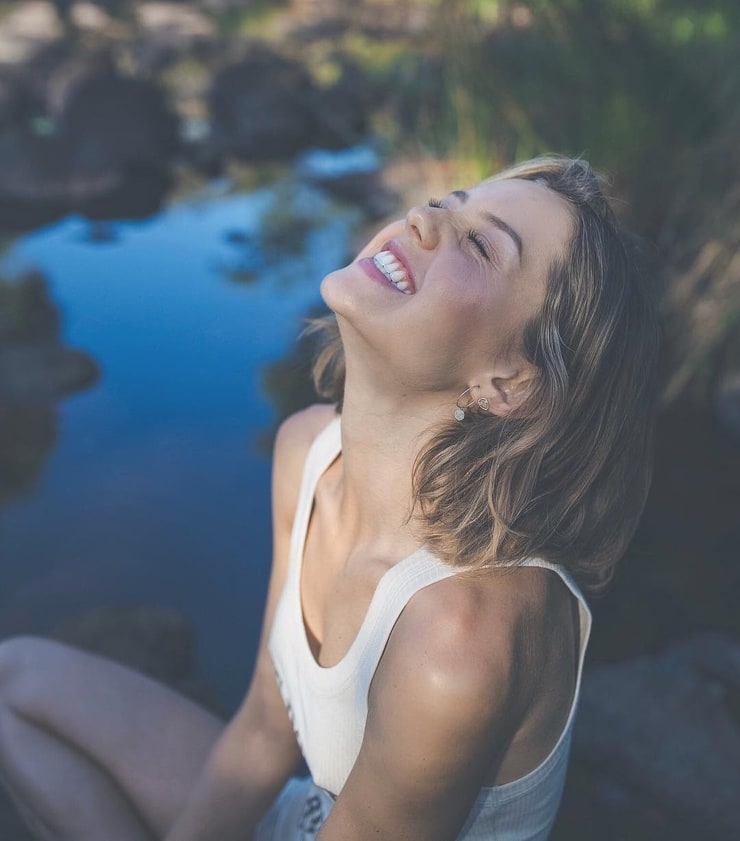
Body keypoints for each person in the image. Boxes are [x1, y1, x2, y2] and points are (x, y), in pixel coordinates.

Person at [0, 155, 660, 840]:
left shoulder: (458, 639)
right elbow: (263, 730)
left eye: (480, 243)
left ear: (508, 384)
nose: (424, 216)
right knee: (13, 684)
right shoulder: (308, 453)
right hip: (303, 816)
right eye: (450, 201)